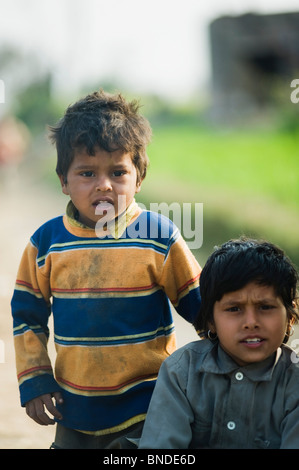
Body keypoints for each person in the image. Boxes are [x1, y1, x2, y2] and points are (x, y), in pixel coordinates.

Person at [11, 90, 201, 449]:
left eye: (118, 172)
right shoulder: (45, 243)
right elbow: (27, 316)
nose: (103, 184)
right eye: (87, 172)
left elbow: (203, 307)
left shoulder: (158, 238)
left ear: (139, 177)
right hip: (74, 409)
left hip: (151, 406)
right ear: (64, 181)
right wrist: (35, 380)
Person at [139, 237, 299, 449]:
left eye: (265, 307)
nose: (251, 322)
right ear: (210, 321)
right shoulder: (182, 372)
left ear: (290, 317)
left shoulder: (294, 382)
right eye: (234, 309)